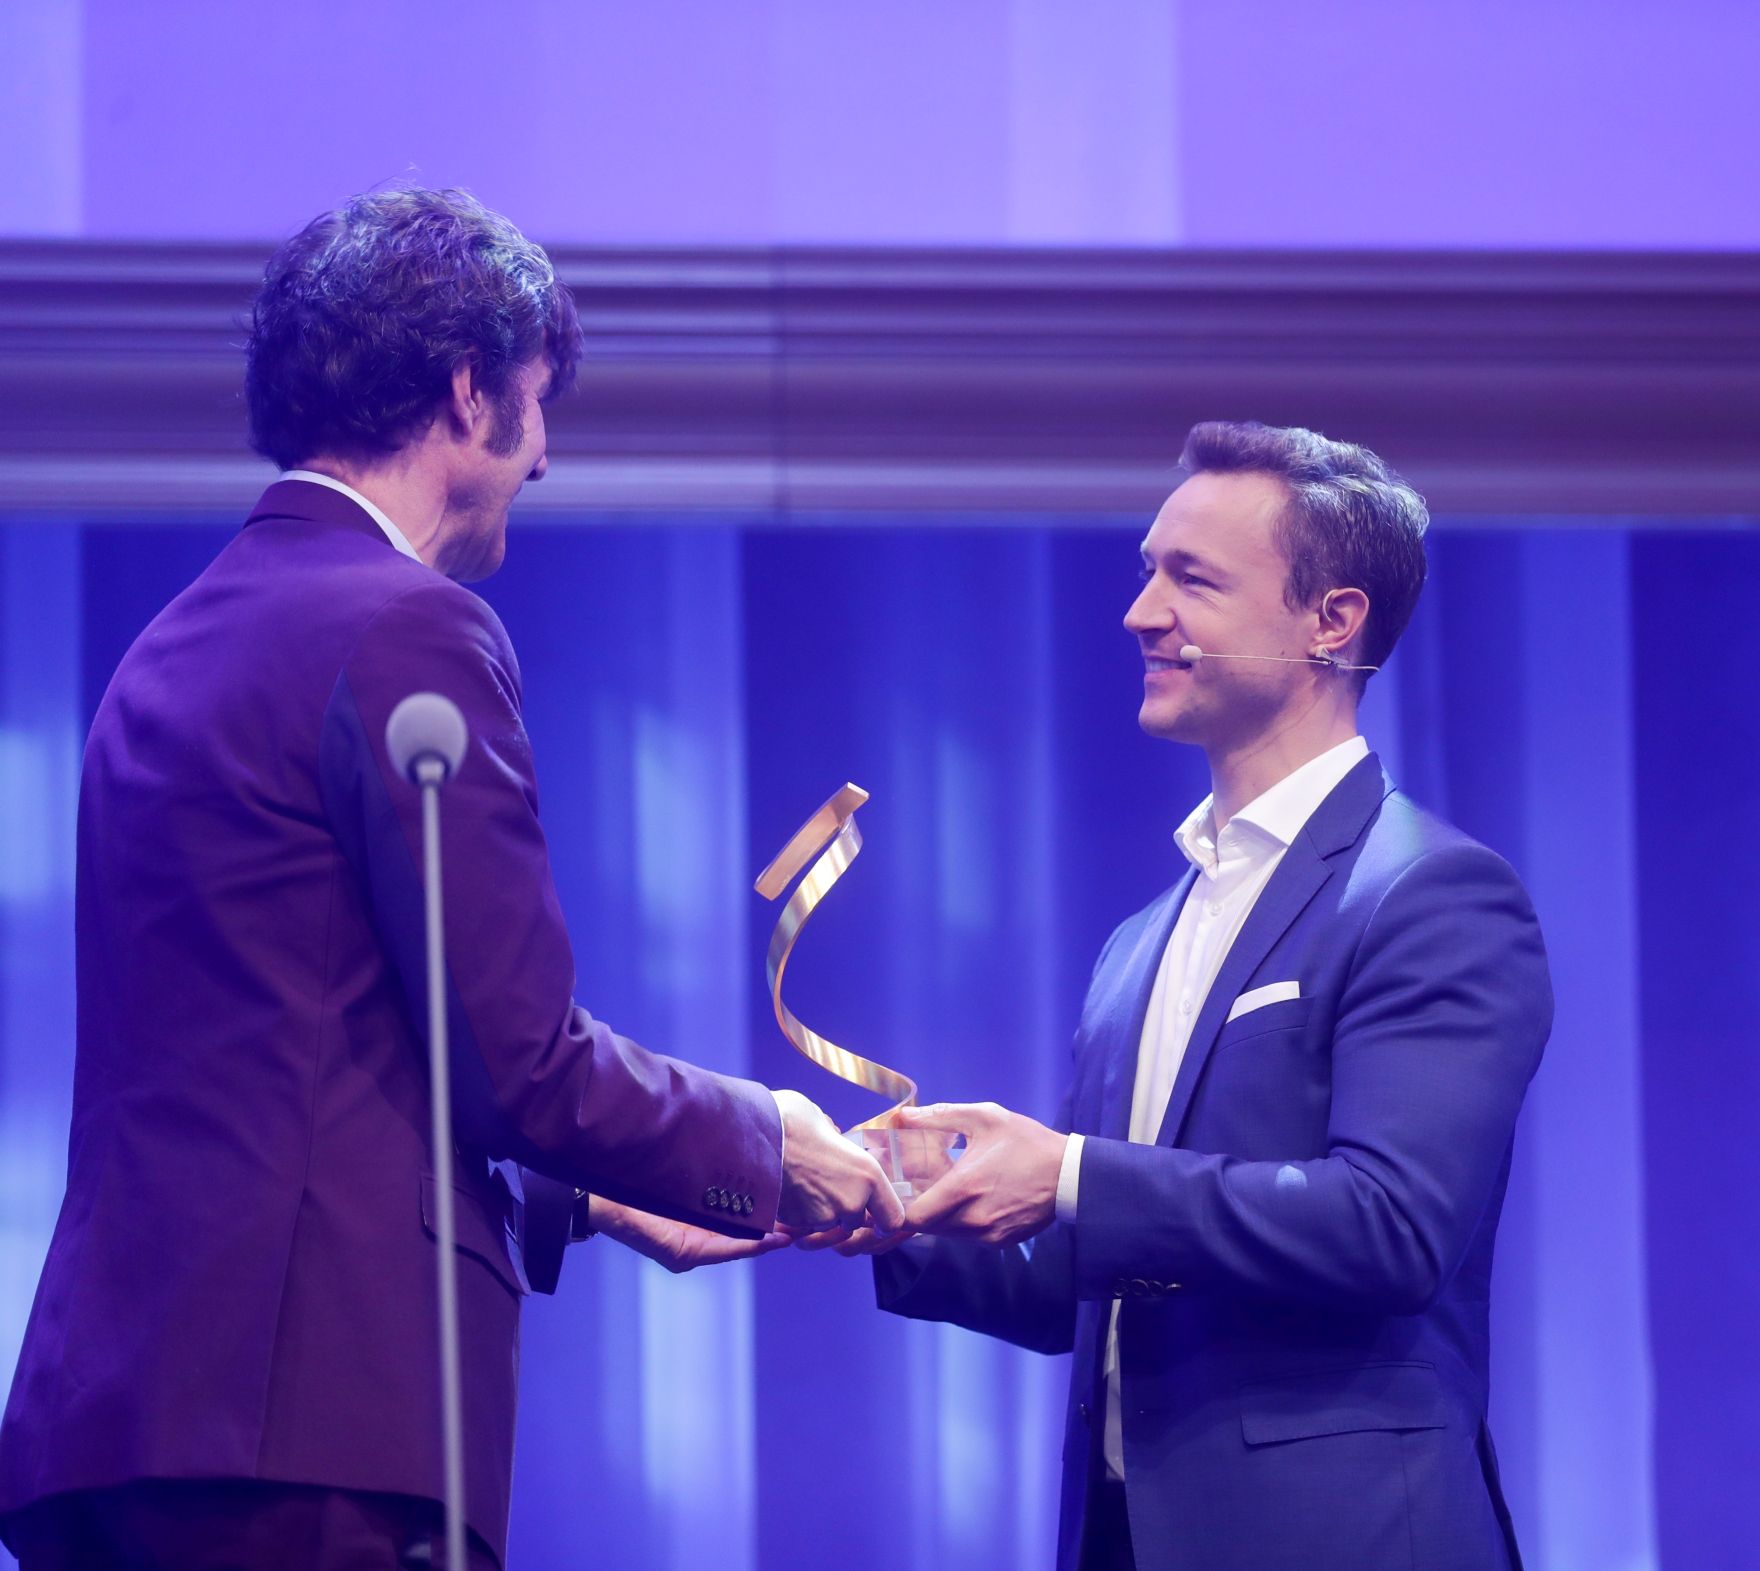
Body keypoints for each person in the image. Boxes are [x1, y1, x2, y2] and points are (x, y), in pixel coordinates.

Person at [0, 188, 902, 1571]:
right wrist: (767, 1136)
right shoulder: (413, 626)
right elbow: (519, 1059)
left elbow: (279, 1054)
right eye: (537, 406)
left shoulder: (167, 645)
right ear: (473, 394)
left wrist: (587, 1199)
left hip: (115, 1424)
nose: (542, 458)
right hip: (308, 1432)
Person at [826, 422, 1552, 1571]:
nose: (1139, 611)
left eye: (1191, 578)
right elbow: (1083, 1271)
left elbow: (1390, 1224)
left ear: (1331, 620)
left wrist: (1062, 1171)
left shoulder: (1430, 890)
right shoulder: (1139, 940)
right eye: (1145, 571)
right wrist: (865, 1200)